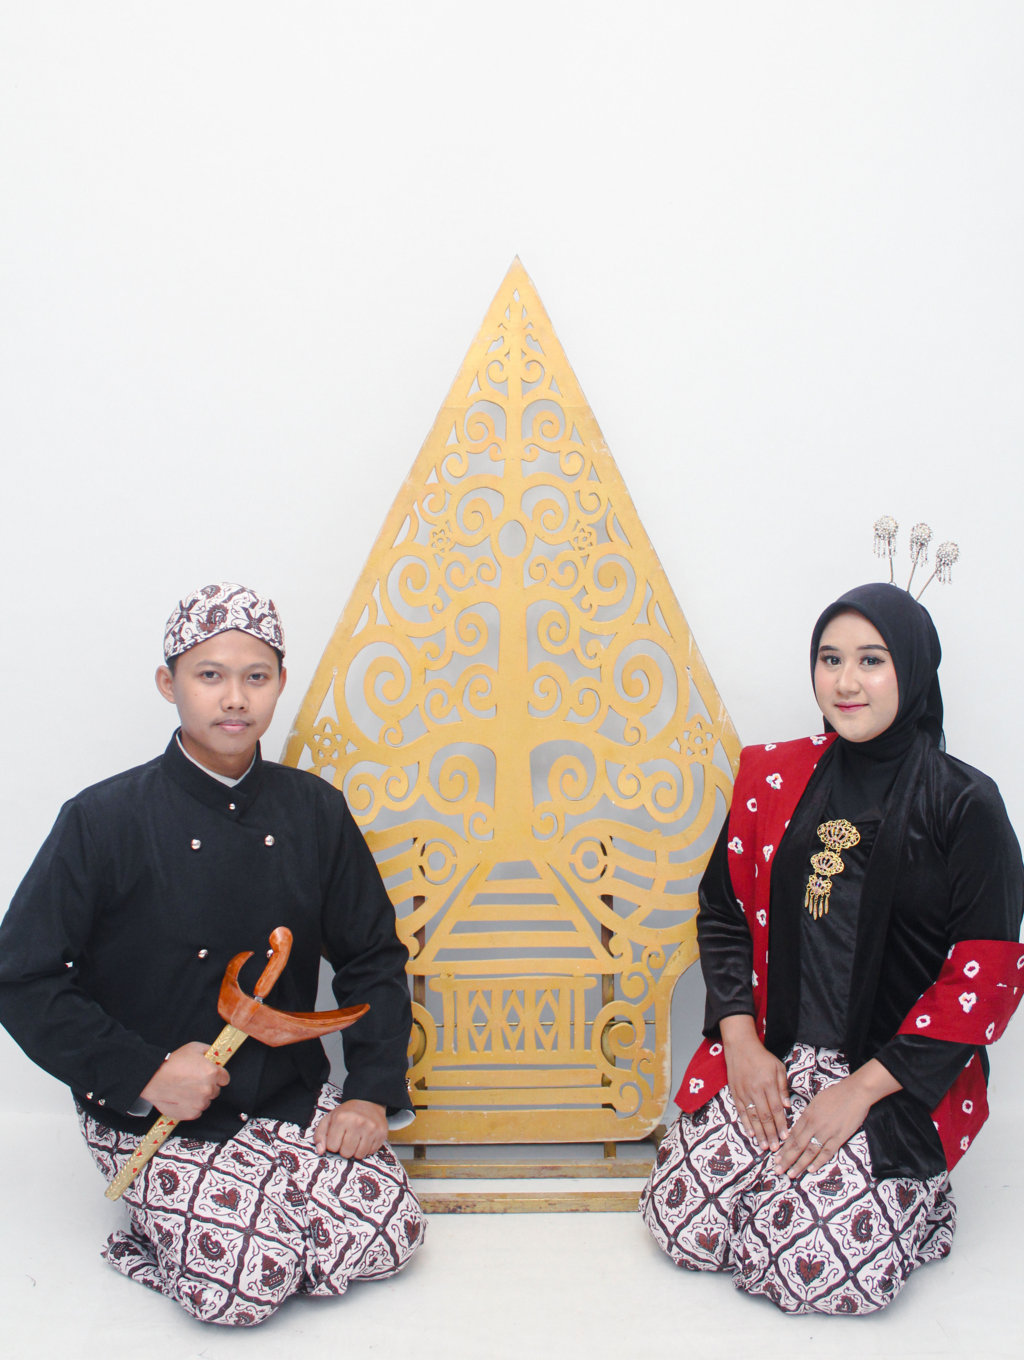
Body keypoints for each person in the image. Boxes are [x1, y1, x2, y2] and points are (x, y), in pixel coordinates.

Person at [0, 583, 425, 1326]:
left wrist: (368, 1091)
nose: (235, 698)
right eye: (209, 675)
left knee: (393, 1236)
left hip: (286, 1090)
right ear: (169, 684)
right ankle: (174, 1235)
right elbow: (23, 976)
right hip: (155, 1109)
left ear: (280, 683)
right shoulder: (103, 818)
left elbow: (372, 957)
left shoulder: (315, 809)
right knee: (241, 1288)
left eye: (255, 677)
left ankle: (257, 1208)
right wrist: (146, 1073)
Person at [640, 582, 1024, 1314]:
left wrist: (861, 1090)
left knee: (812, 1273)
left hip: (889, 1075)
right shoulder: (772, 776)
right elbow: (722, 912)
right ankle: (795, 1195)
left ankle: (914, 1205)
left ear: (913, 669)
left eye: (871, 660)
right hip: (779, 1056)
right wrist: (742, 1043)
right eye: (830, 658)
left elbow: (985, 981)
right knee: (682, 1228)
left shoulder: (965, 804)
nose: (846, 682)